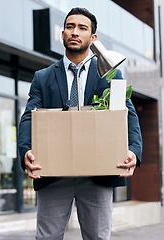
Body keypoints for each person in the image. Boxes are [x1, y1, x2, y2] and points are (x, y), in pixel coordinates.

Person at [18, 7, 142, 240]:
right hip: (53, 172)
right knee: (47, 237)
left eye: (82, 28)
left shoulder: (109, 73)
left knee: (97, 237)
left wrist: (133, 151)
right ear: (62, 34)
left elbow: (127, 113)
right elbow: (28, 117)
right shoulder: (42, 77)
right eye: (70, 26)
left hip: (98, 173)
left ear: (92, 38)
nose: (75, 32)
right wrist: (26, 151)